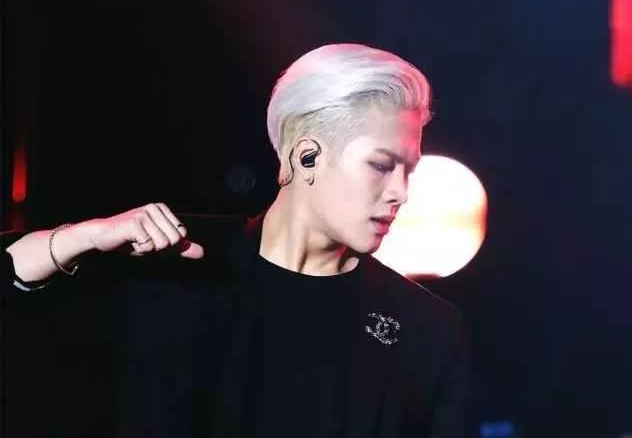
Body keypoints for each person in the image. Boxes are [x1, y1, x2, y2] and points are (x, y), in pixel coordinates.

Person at [2, 43, 469, 438]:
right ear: (305, 156)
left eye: (408, 171)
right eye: (382, 165)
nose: (401, 192)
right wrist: (85, 237)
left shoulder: (425, 328)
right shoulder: (171, 258)